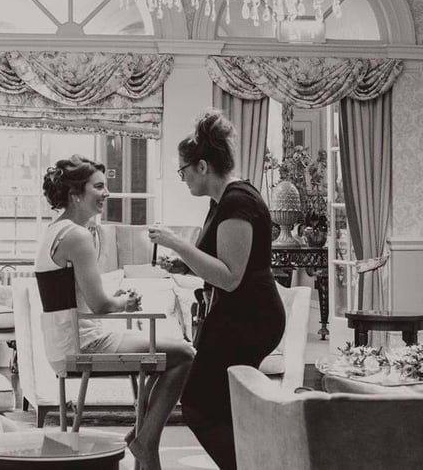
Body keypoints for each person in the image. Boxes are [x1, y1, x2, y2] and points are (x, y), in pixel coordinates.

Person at [35, 154, 195, 470]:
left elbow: (83, 298)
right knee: (186, 354)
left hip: (63, 341)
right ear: (75, 193)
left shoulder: (55, 231)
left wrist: (115, 299)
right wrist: (125, 303)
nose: (106, 193)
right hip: (84, 343)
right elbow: (100, 305)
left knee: (170, 356)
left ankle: (141, 436)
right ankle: (145, 441)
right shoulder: (77, 235)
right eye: (98, 187)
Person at [149, 110, 286, 470]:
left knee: (199, 405)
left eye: (183, 170)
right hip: (237, 316)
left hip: (251, 319)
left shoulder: (238, 202)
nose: (182, 179)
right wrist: (184, 264)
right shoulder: (221, 202)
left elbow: (230, 277)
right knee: (221, 406)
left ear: (203, 166)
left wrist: (177, 243)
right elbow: (220, 263)